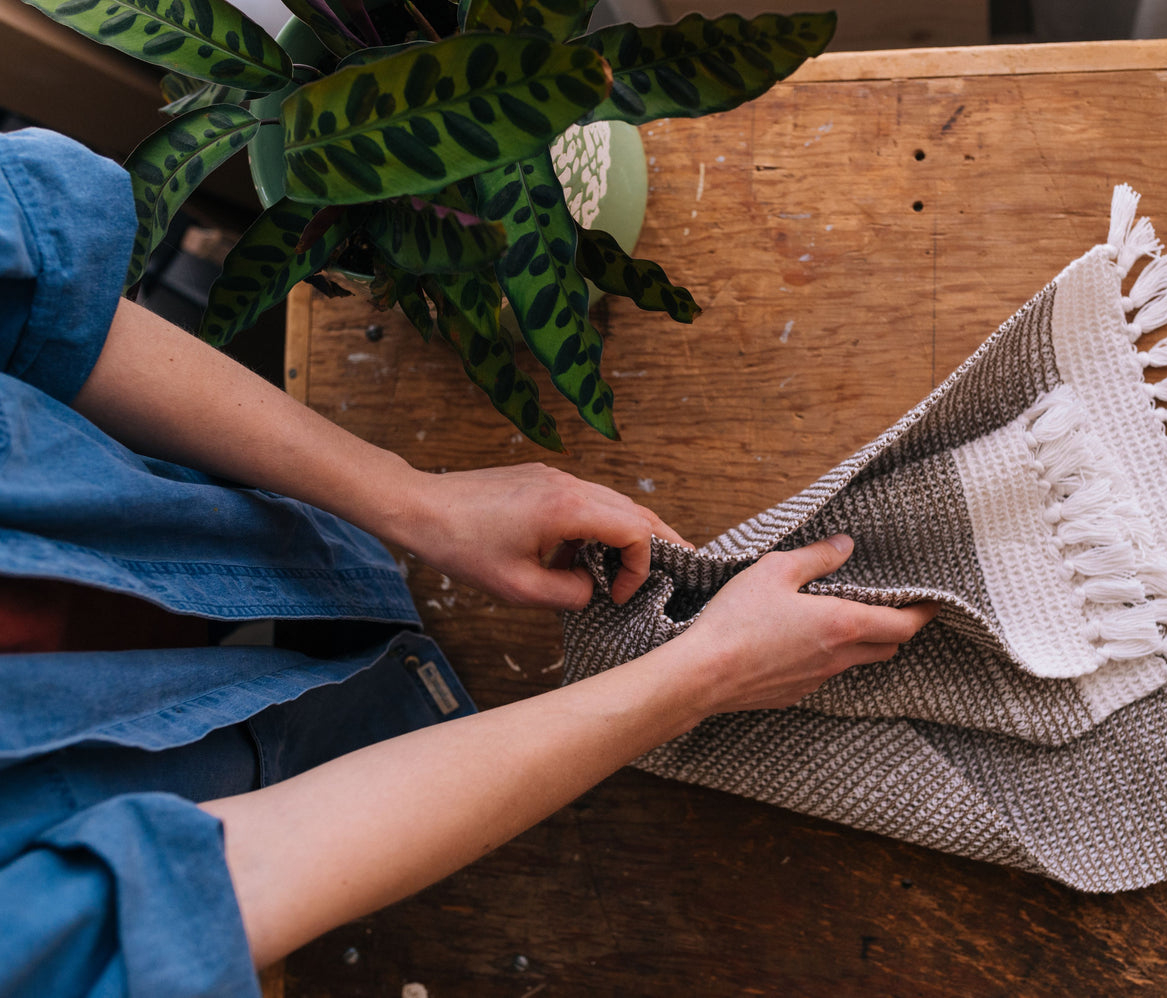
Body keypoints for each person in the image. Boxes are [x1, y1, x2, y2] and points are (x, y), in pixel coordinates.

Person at [0, 127, 938, 996]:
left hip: (278, 551)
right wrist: (700, 677)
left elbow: (42, 300)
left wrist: (412, 498)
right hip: (329, 800)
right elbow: (213, 892)